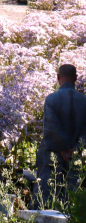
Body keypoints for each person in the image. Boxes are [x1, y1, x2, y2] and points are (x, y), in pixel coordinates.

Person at [35, 64, 86, 206]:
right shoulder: (84, 101)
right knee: (72, 196)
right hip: (75, 155)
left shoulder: (52, 99)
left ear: (58, 78)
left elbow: (51, 129)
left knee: (46, 194)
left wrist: (62, 149)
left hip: (52, 153)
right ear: (76, 78)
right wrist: (74, 148)